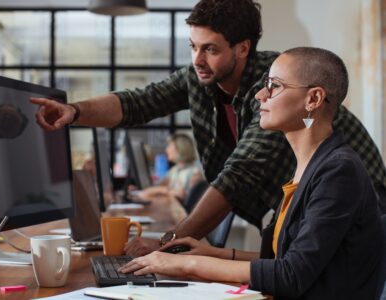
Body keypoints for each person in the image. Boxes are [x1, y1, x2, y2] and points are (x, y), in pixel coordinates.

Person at [30, 0, 386, 257]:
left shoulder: (273, 86)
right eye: (193, 47)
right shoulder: (198, 80)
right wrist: (74, 111)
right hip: (296, 213)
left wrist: (168, 243)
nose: (197, 60)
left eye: (210, 49)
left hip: (357, 209)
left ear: (243, 48)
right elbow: (137, 102)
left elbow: (239, 175)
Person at [119, 47, 384, 300]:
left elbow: (291, 275)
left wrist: (187, 264)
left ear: (313, 99)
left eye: (275, 86)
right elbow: (283, 261)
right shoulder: (308, 164)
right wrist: (213, 253)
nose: (259, 95)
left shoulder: (339, 171)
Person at [139, 133, 203, 202]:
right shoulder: (175, 170)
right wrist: (165, 190)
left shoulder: (194, 173)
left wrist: (163, 190)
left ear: (180, 148)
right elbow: (157, 186)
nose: (166, 150)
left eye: (169, 146)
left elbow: (181, 196)